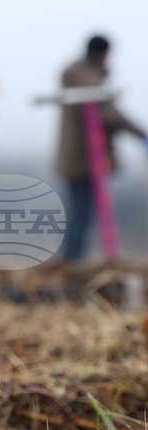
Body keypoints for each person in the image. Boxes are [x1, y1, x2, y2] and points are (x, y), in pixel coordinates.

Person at [56, 35, 147, 262]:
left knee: (80, 210)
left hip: (78, 158)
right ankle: (72, 259)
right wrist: (141, 134)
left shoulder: (79, 76)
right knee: (82, 212)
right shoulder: (88, 80)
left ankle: (72, 258)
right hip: (85, 159)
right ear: (104, 54)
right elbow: (108, 115)